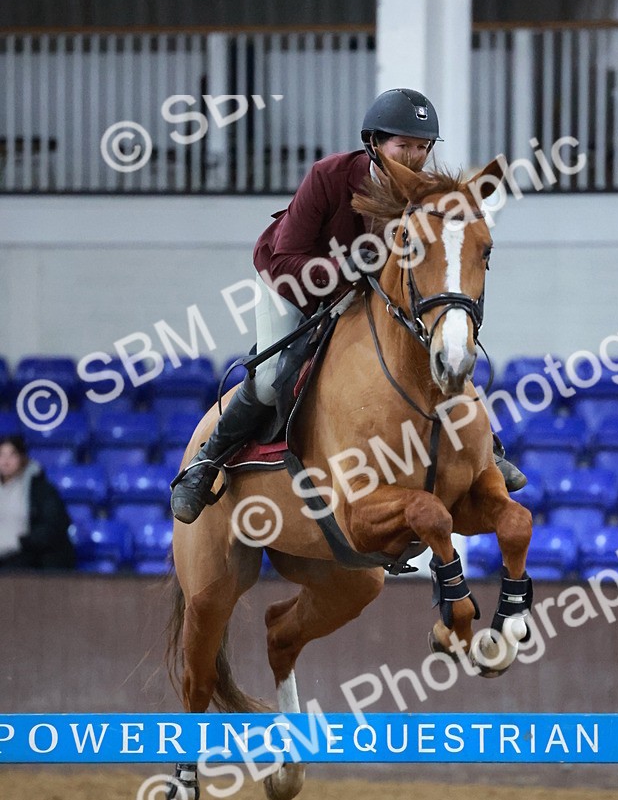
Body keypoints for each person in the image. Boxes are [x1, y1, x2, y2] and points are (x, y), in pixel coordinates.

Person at [170, 88, 525, 524]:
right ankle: (206, 463)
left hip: (367, 294)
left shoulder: (426, 194)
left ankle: (486, 449)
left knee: (435, 352)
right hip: (294, 284)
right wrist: (347, 268)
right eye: (403, 145)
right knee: (268, 379)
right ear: (374, 143)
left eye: (421, 147)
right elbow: (285, 261)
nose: (414, 156)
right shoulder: (329, 175)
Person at [0, 434, 75, 571]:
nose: (6, 461)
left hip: (29, 559)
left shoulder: (41, 489)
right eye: (1, 455)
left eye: (12, 455)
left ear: (22, 458)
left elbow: (54, 526)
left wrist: (22, 542)